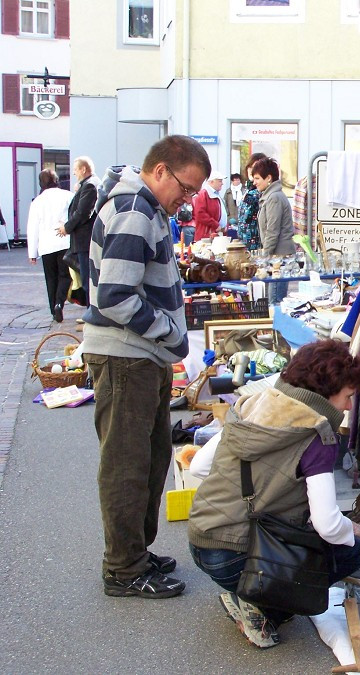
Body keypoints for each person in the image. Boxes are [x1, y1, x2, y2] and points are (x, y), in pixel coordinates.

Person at [82, 134, 211, 599]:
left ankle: (134, 552)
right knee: (127, 465)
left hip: (138, 356)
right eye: (186, 187)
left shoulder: (145, 207)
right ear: (160, 171)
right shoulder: (135, 209)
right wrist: (171, 334)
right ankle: (123, 567)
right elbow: (114, 296)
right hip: (125, 356)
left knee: (151, 458)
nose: (188, 199)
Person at [188, 339, 360, 649]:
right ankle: (263, 606)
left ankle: (247, 592)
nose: (349, 407)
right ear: (328, 392)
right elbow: (327, 524)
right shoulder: (316, 434)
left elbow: (199, 467)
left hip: (202, 543)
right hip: (237, 557)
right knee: (352, 549)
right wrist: (351, 531)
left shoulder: (251, 403)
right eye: (348, 396)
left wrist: (263, 495)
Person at [27, 169, 73, 323]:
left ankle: (53, 309)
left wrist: (32, 253)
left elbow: (32, 228)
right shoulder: (68, 196)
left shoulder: (37, 202)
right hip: (65, 241)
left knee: (51, 278)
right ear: (56, 180)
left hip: (46, 245)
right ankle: (60, 303)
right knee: (65, 276)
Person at [58, 156, 100, 308]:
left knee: (88, 279)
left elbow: (82, 212)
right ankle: (91, 311)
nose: (74, 173)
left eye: (75, 170)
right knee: (86, 278)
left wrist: (67, 227)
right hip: (84, 241)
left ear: (83, 169)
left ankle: (92, 313)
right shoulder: (88, 184)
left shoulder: (89, 185)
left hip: (85, 241)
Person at [252, 157, 294, 303]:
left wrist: (264, 257)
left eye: (257, 178)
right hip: (277, 256)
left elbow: (272, 231)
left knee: (274, 301)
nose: (254, 182)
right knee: (274, 299)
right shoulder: (271, 196)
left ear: (268, 178)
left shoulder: (274, 198)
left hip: (278, 257)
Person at [237, 152, 267, 251]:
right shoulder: (247, 189)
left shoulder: (261, 192)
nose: (251, 170)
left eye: (256, 167)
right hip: (243, 240)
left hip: (256, 242)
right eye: (250, 166)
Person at [192, 170, 226, 242]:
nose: (222, 183)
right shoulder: (203, 194)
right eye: (220, 181)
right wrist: (215, 225)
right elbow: (200, 214)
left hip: (215, 233)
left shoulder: (215, 194)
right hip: (207, 235)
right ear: (211, 182)